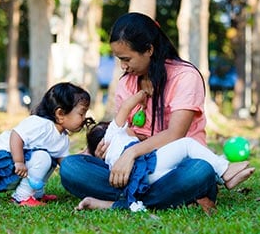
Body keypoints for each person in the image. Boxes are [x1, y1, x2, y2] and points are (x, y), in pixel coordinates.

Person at [60, 12, 253, 213]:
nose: (123, 66)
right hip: (136, 170)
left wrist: (131, 153)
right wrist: (98, 152)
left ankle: (125, 201)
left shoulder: (184, 77)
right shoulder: (126, 83)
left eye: (127, 59)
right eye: (119, 59)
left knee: (199, 171)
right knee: (72, 167)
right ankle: (163, 199)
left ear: (149, 49)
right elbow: (123, 131)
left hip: (176, 168)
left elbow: (175, 134)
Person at [84, 90, 254, 210]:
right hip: (146, 165)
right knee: (187, 144)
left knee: (179, 170)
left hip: (142, 182)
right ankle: (225, 171)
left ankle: (210, 181)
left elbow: (86, 157)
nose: (131, 127)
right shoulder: (113, 133)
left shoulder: (107, 159)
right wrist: (141, 95)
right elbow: (126, 107)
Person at [0, 82, 91, 207]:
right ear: (60, 114)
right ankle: (21, 197)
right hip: (4, 164)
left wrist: (81, 162)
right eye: (81, 113)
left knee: (50, 159)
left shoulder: (62, 138)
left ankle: (36, 194)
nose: (84, 119)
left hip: (22, 165)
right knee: (43, 157)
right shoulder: (40, 124)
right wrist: (19, 161)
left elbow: (65, 164)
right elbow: (16, 135)